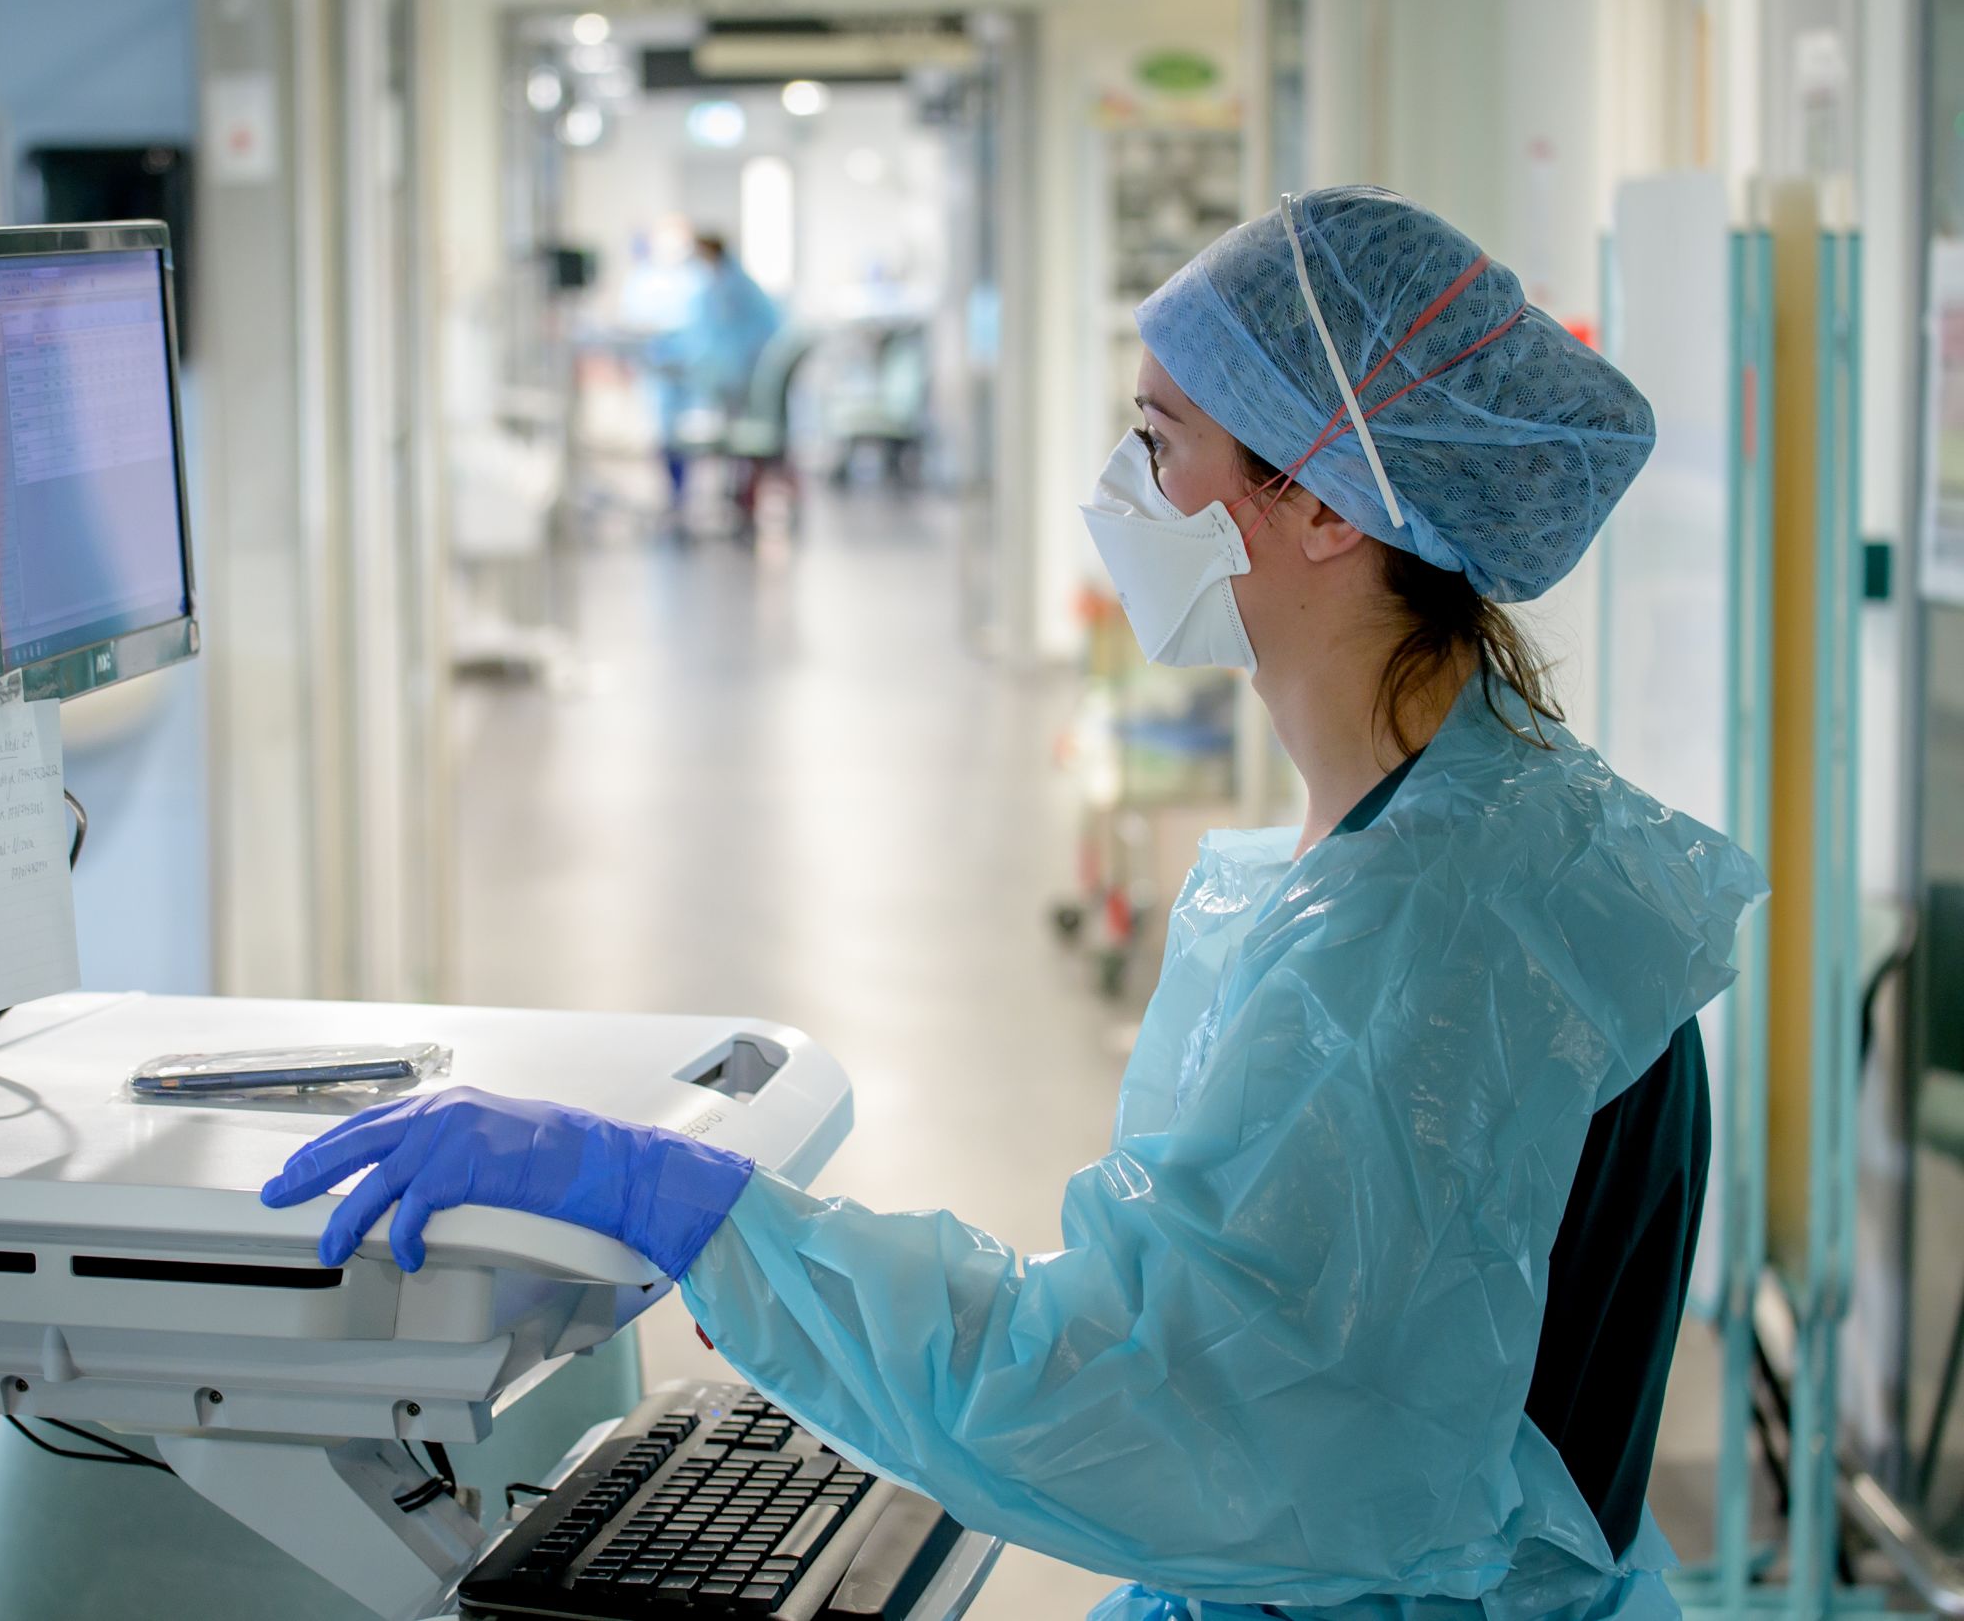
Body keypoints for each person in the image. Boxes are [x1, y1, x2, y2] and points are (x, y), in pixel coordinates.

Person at [262, 187, 1765, 1621]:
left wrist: (703, 1215)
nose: (1124, 490)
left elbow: (1144, 1395)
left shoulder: (1400, 955)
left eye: (1157, 439)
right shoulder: (1505, 822)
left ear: (1319, 505)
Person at [649, 231, 781, 519]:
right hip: (727, 376)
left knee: (675, 425)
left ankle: (684, 498)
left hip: (737, 378)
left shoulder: (731, 288)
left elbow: (726, 339)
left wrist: (691, 362)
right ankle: (685, 497)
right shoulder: (720, 285)